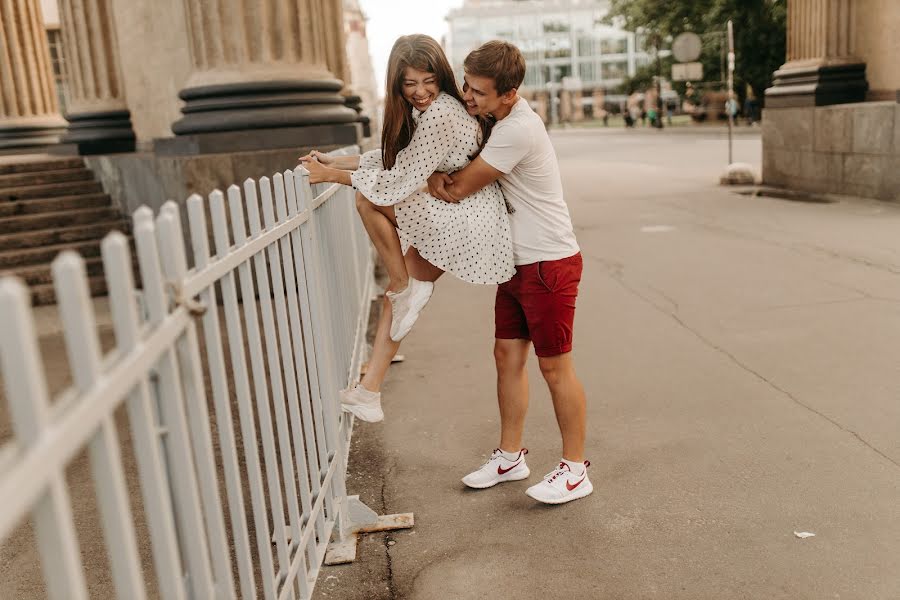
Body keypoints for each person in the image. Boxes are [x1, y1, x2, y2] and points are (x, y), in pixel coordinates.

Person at [299, 34, 514, 423]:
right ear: (396, 83)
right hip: (461, 213)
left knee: (367, 201)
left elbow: (398, 178)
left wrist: (330, 174)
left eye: (428, 80)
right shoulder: (428, 113)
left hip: (463, 217)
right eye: (409, 83)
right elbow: (398, 159)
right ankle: (368, 393)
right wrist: (339, 161)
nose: (420, 91)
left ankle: (400, 284)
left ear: (441, 76)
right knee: (398, 299)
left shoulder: (442, 113)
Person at [427, 41, 590, 505]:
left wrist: (434, 179)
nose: (468, 97)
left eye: (479, 91)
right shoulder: (497, 119)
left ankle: (576, 469)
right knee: (506, 357)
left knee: (555, 367)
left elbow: (458, 188)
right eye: (466, 85)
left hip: (548, 263)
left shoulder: (517, 129)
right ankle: (510, 456)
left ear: (510, 93)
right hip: (514, 263)